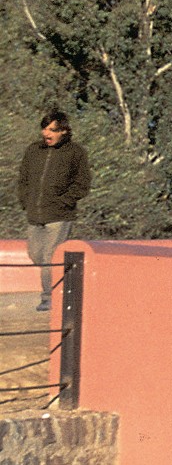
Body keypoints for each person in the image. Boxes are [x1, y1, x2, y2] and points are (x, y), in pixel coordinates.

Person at [18, 110, 89, 317]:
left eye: (52, 130)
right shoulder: (33, 150)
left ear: (64, 131)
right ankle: (65, 283)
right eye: (44, 128)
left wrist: (64, 202)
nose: (46, 133)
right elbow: (23, 179)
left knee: (50, 257)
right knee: (35, 255)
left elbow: (82, 184)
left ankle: (48, 298)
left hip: (59, 216)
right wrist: (25, 200)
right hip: (35, 214)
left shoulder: (75, 152)